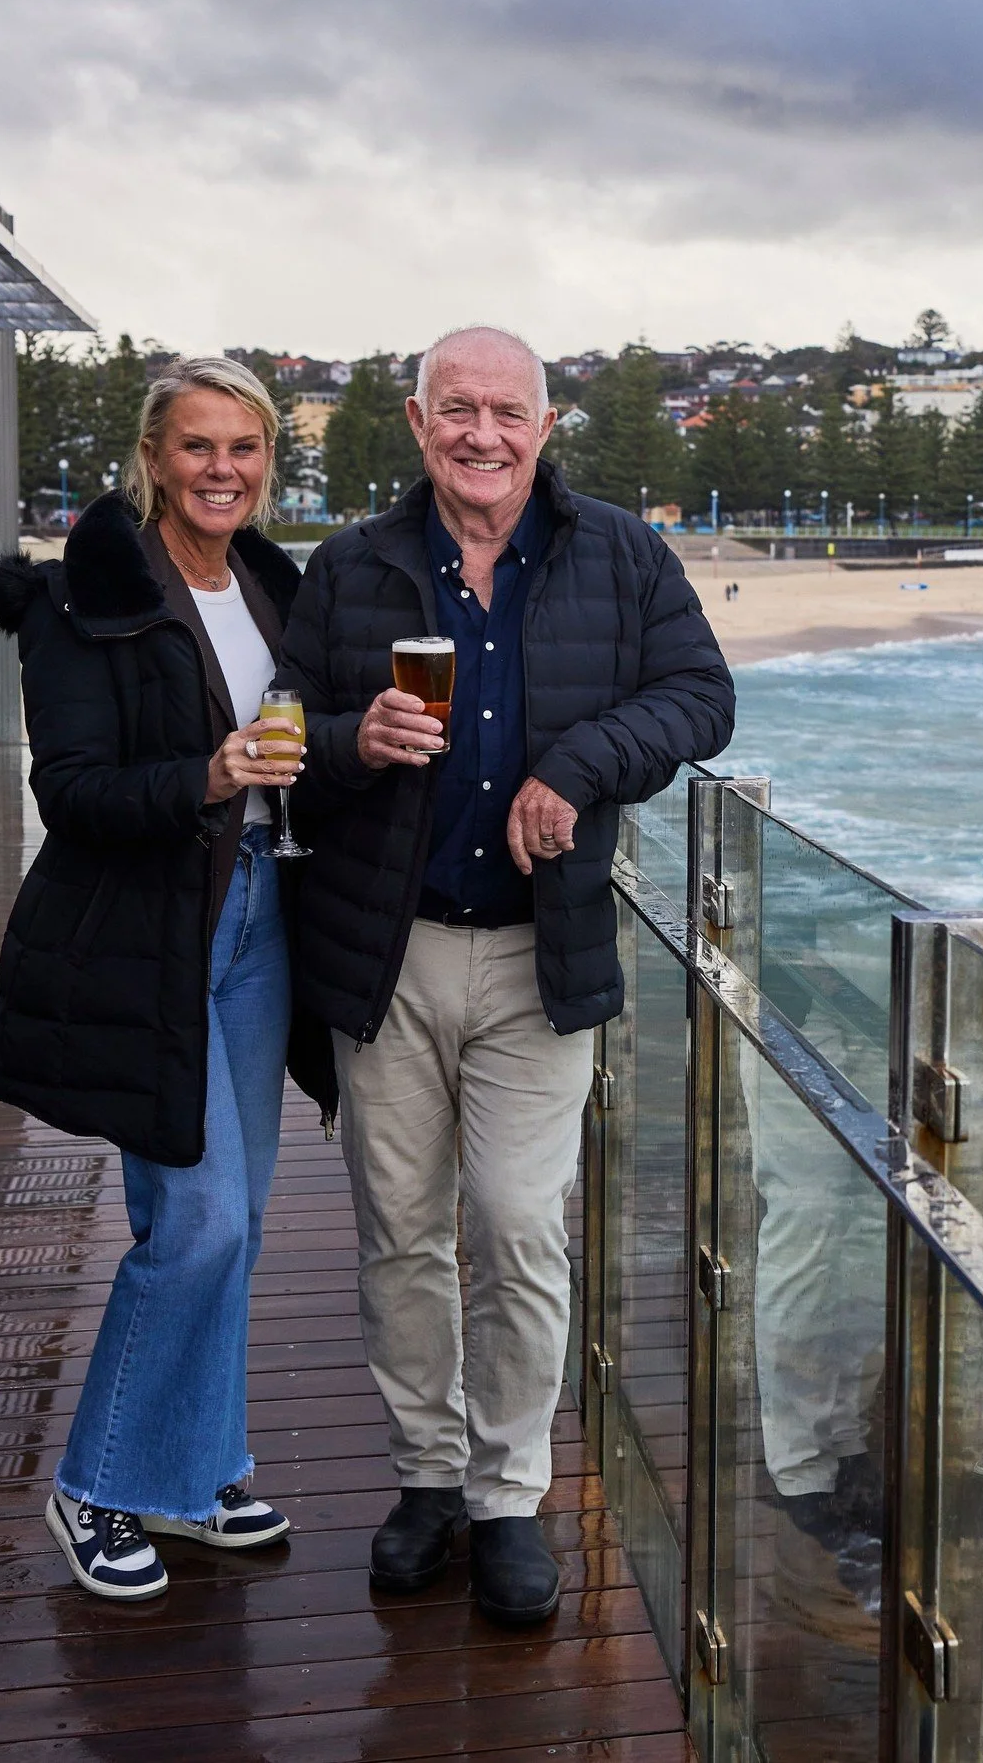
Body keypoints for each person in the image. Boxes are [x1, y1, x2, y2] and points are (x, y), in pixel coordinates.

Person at [278, 325, 735, 1624]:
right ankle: (426, 1477)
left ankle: (509, 1493)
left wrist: (581, 767)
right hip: (389, 951)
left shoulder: (621, 556)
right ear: (418, 423)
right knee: (402, 1237)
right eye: (458, 409)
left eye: (509, 412)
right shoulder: (353, 566)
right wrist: (345, 737)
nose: (484, 433)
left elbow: (702, 700)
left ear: (548, 427)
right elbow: (275, 731)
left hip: (547, 957)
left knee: (522, 1232)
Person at [0, 357, 316, 1600]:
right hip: (148, 934)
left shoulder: (277, 586)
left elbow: (309, 741)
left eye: (243, 447)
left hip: (265, 921)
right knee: (197, 1219)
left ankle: (197, 1463)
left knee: (241, 1222)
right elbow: (66, 791)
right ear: (152, 457)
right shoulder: (85, 601)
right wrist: (210, 775)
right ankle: (97, 1481)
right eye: (197, 447)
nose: (222, 468)